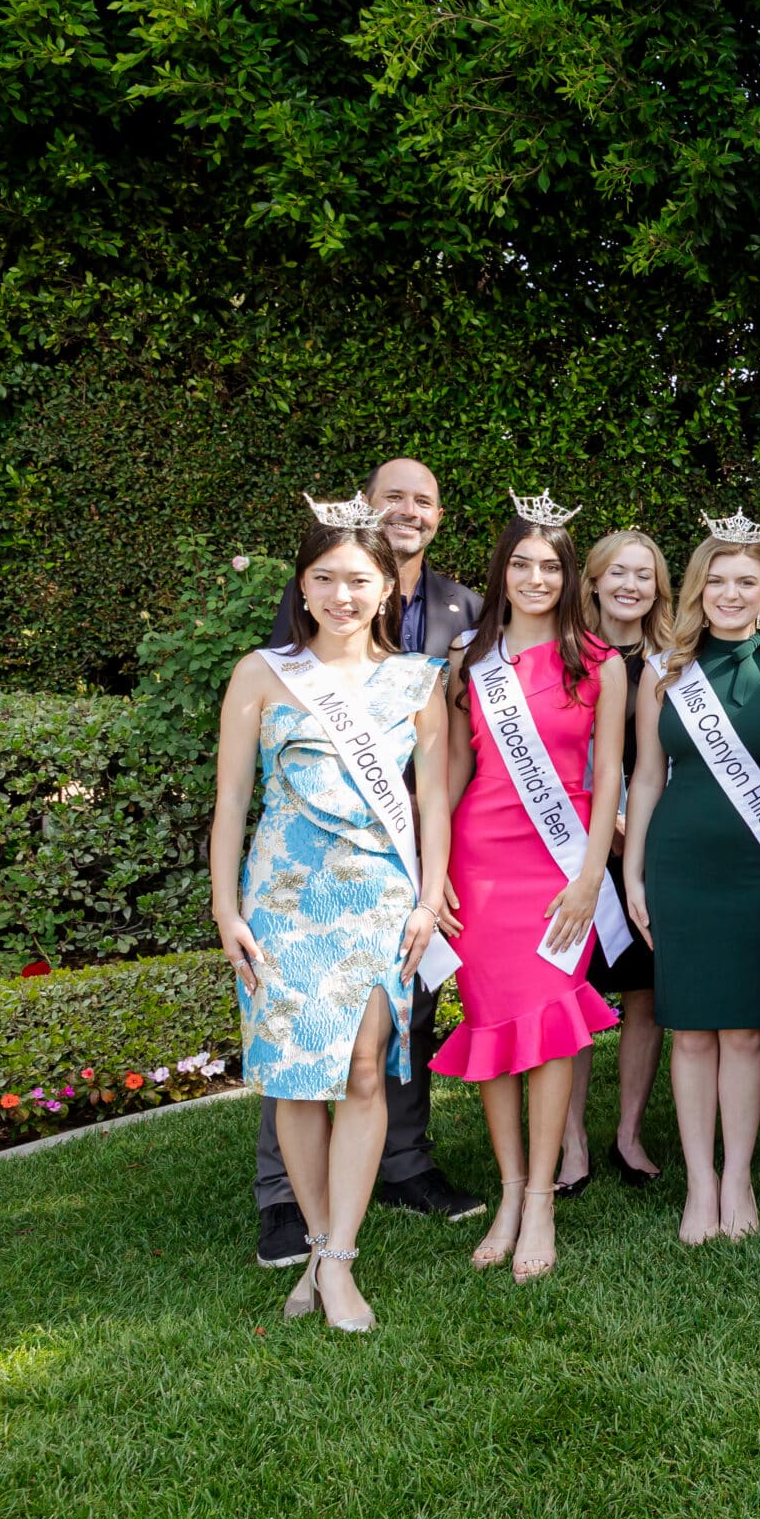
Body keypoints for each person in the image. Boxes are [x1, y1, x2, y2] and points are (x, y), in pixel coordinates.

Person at [211, 498, 451, 1331]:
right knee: (295, 1079)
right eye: (325, 579)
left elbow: (435, 802)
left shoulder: (420, 680)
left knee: (360, 1065)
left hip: (379, 899)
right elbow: (233, 798)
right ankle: (314, 1243)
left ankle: (339, 1260)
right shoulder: (260, 673)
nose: (342, 594)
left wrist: (429, 898)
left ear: (387, 587)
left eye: (359, 579)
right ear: (303, 588)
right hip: (280, 899)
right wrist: (224, 906)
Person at [253, 458, 482, 1267]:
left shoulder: (464, 608)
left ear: (438, 515)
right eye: (395, 497)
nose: (408, 510)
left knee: (390, 1032)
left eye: (424, 499)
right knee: (301, 1035)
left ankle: (401, 1166)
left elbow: (455, 752)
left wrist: (436, 868)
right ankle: (285, 1199)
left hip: (399, 857)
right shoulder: (298, 624)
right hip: (304, 865)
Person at [623, 523, 760, 1245]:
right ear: (697, 591)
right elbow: (646, 776)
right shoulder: (662, 672)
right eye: (717, 581)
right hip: (681, 865)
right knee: (688, 1032)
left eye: (747, 581)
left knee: (744, 1032)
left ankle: (739, 1173)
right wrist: (632, 870)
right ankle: (700, 1183)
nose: (731, 593)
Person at [431, 502, 625, 1283]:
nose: (536, 577)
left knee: (547, 1034)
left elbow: (610, 774)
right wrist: (433, 865)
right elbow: (450, 771)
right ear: (501, 572)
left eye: (551, 565)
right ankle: (509, 1192)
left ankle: (541, 1196)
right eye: (522, 563)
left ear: (569, 575)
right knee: (492, 1029)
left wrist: (589, 878)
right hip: (480, 864)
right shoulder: (465, 662)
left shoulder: (601, 664)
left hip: (560, 868)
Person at [570, 528, 674, 1187]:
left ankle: (628, 1135)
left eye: (645, 574)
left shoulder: (673, 660)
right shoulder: (564, 654)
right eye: (620, 572)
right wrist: (604, 823)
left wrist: (635, 827)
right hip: (576, 841)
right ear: (595, 581)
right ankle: (570, 1139)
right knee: (571, 991)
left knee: (646, 992)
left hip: (653, 840)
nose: (632, 585)